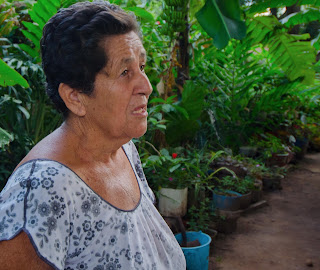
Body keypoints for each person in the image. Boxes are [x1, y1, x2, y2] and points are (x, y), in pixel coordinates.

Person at [0, 2, 186, 269]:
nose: (146, 86)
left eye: (142, 67)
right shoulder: (42, 191)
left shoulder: (123, 149)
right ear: (75, 97)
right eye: (125, 72)